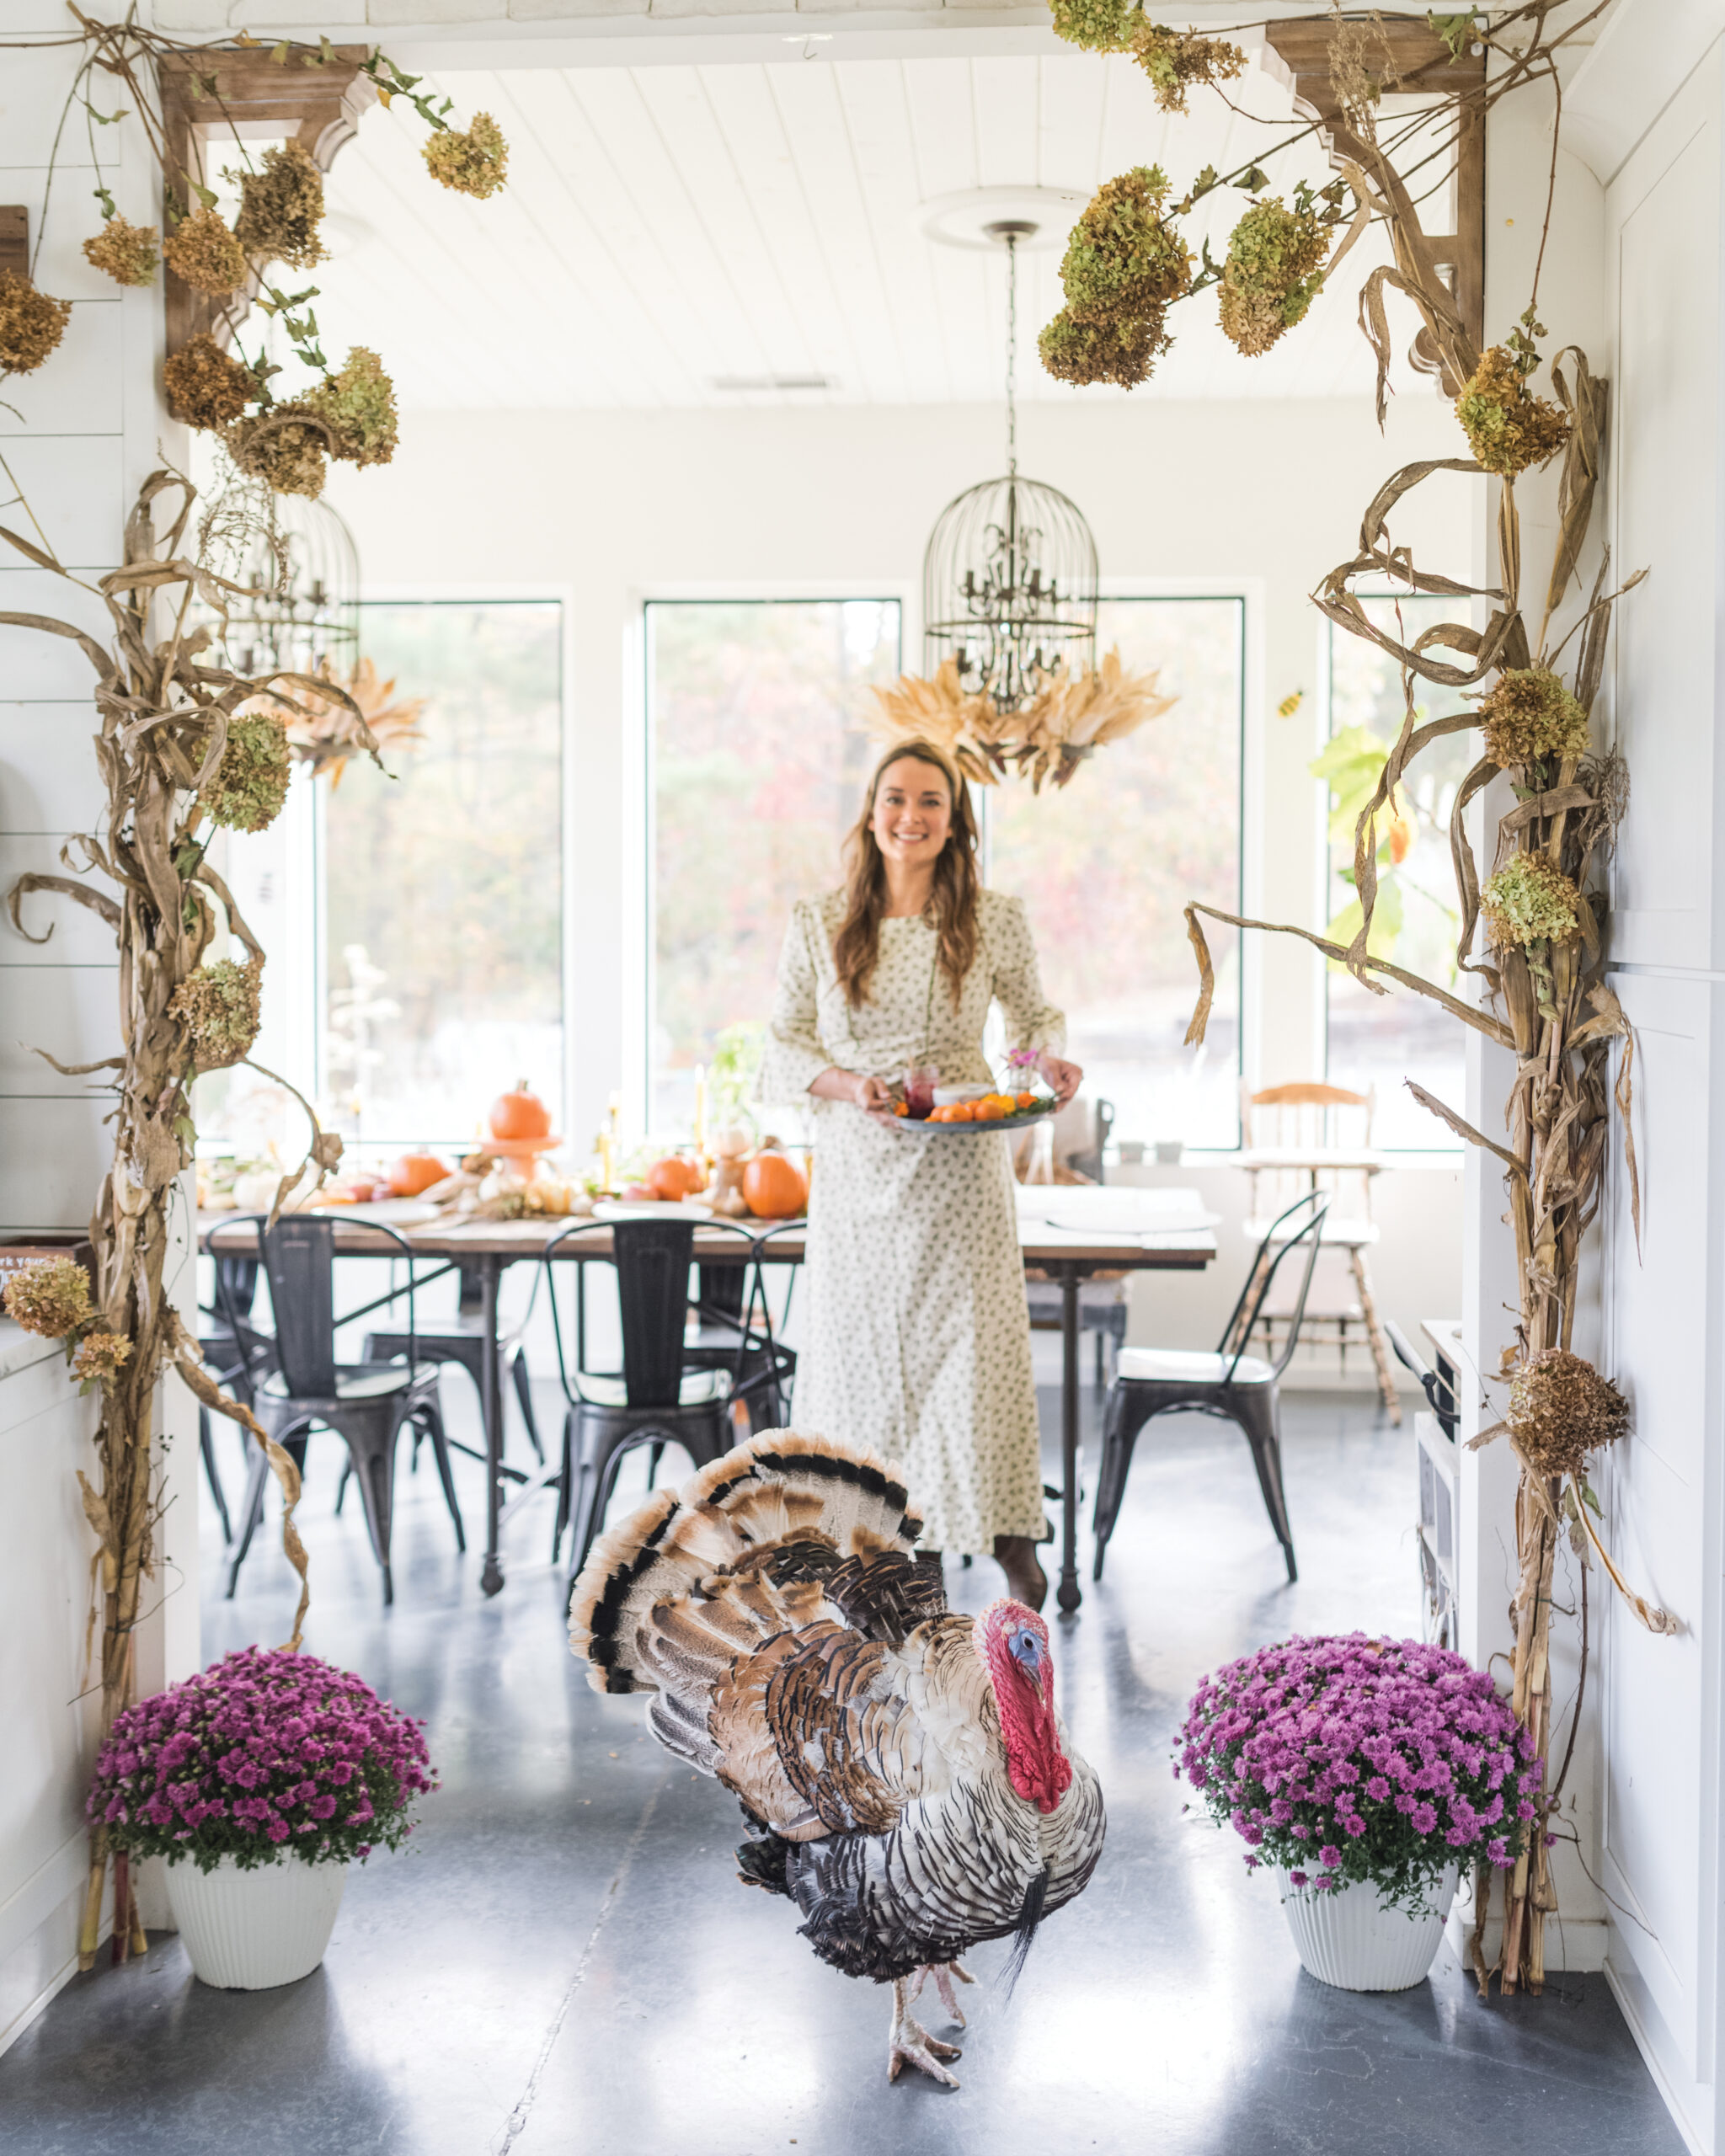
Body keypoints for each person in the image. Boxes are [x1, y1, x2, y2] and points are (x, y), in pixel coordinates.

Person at [757, 738, 1081, 1609]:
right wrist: (844, 1082)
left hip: (960, 1167)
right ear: (870, 811)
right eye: (895, 798)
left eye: (931, 801)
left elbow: (1031, 1012)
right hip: (859, 1173)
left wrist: (1046, 1060)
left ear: (954, 819)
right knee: (865, 1370)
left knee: (969, 1362)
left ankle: (1010, 1534)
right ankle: (896, 1550)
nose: (911, 815)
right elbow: (784, 1042)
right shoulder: (816, 921)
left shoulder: (992, 914)